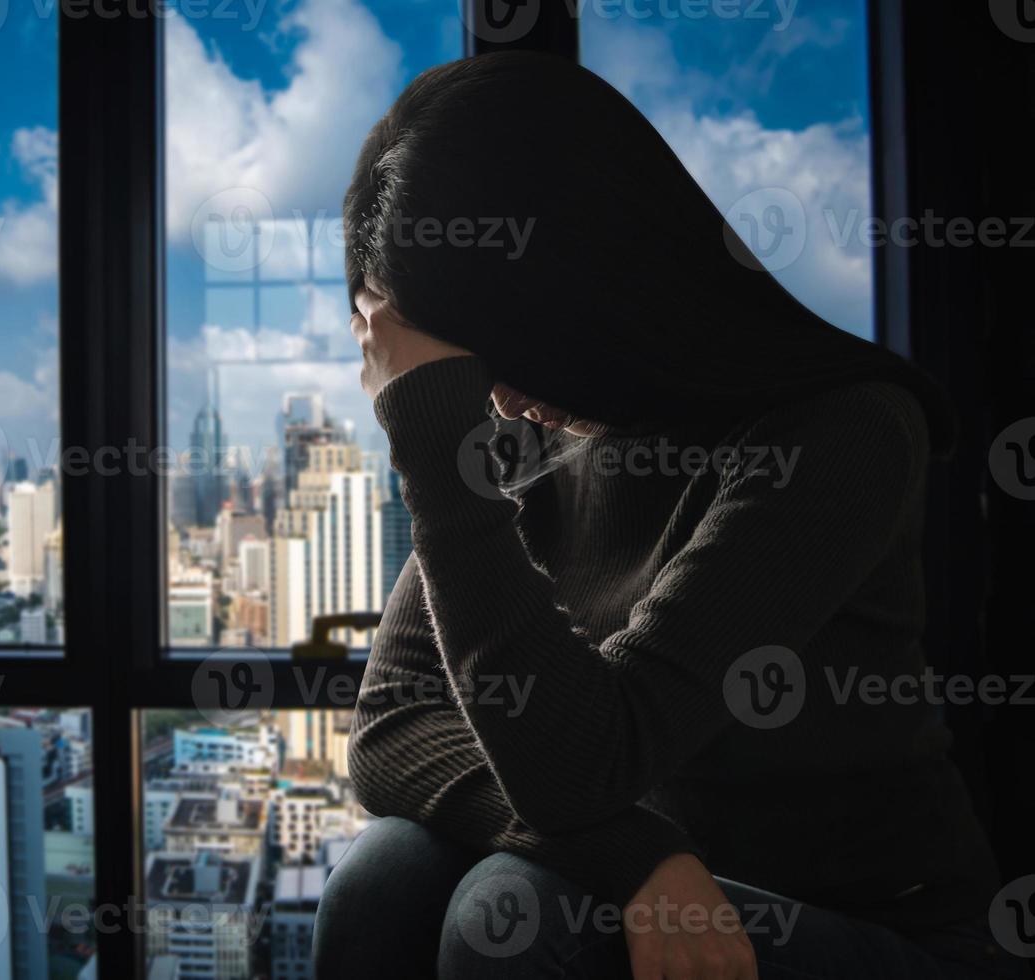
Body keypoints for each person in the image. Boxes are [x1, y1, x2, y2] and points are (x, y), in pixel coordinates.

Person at [312, 52, 1020, 980]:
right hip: (674, 875)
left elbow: (600, 759)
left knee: (517, 911)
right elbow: (392, 724)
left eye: (487, 353)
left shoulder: (840, 431)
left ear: (577, 283)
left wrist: (438, 457)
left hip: (888, 930)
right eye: (455, 372)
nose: (500, 401)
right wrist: (640, 858)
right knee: (382, 874)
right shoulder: (528, 443)